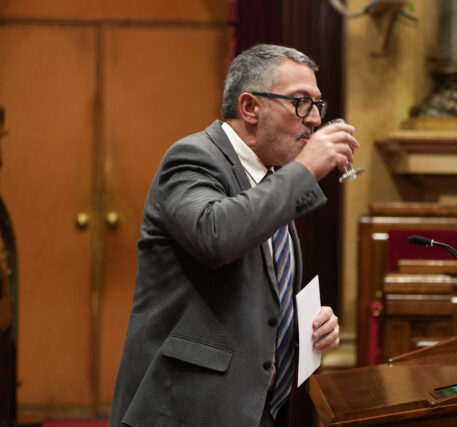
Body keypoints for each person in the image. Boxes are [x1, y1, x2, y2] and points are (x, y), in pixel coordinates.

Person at [109, 44, 359, 427]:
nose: (313, 120)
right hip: (187, 410)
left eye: (317, 105)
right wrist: (305, 171)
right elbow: (217, 236)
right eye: (300, 103)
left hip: (255, 408)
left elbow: (257, 293)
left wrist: (307, 326)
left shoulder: (273, 179)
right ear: (250, 107)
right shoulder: (193, 158)